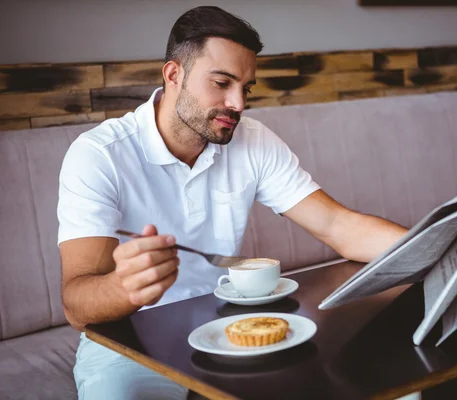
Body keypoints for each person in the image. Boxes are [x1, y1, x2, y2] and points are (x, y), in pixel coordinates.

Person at [58, 6, 408, 399]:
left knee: (385, 378)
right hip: (127, 343)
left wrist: (436, 248)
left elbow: (337, 226)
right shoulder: (99, 155)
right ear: (174, 75)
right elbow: (76, 304)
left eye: (246, 88)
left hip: (226, 328)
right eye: (222, 83)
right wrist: (125, 289)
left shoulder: (252, 140)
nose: (238, 103)